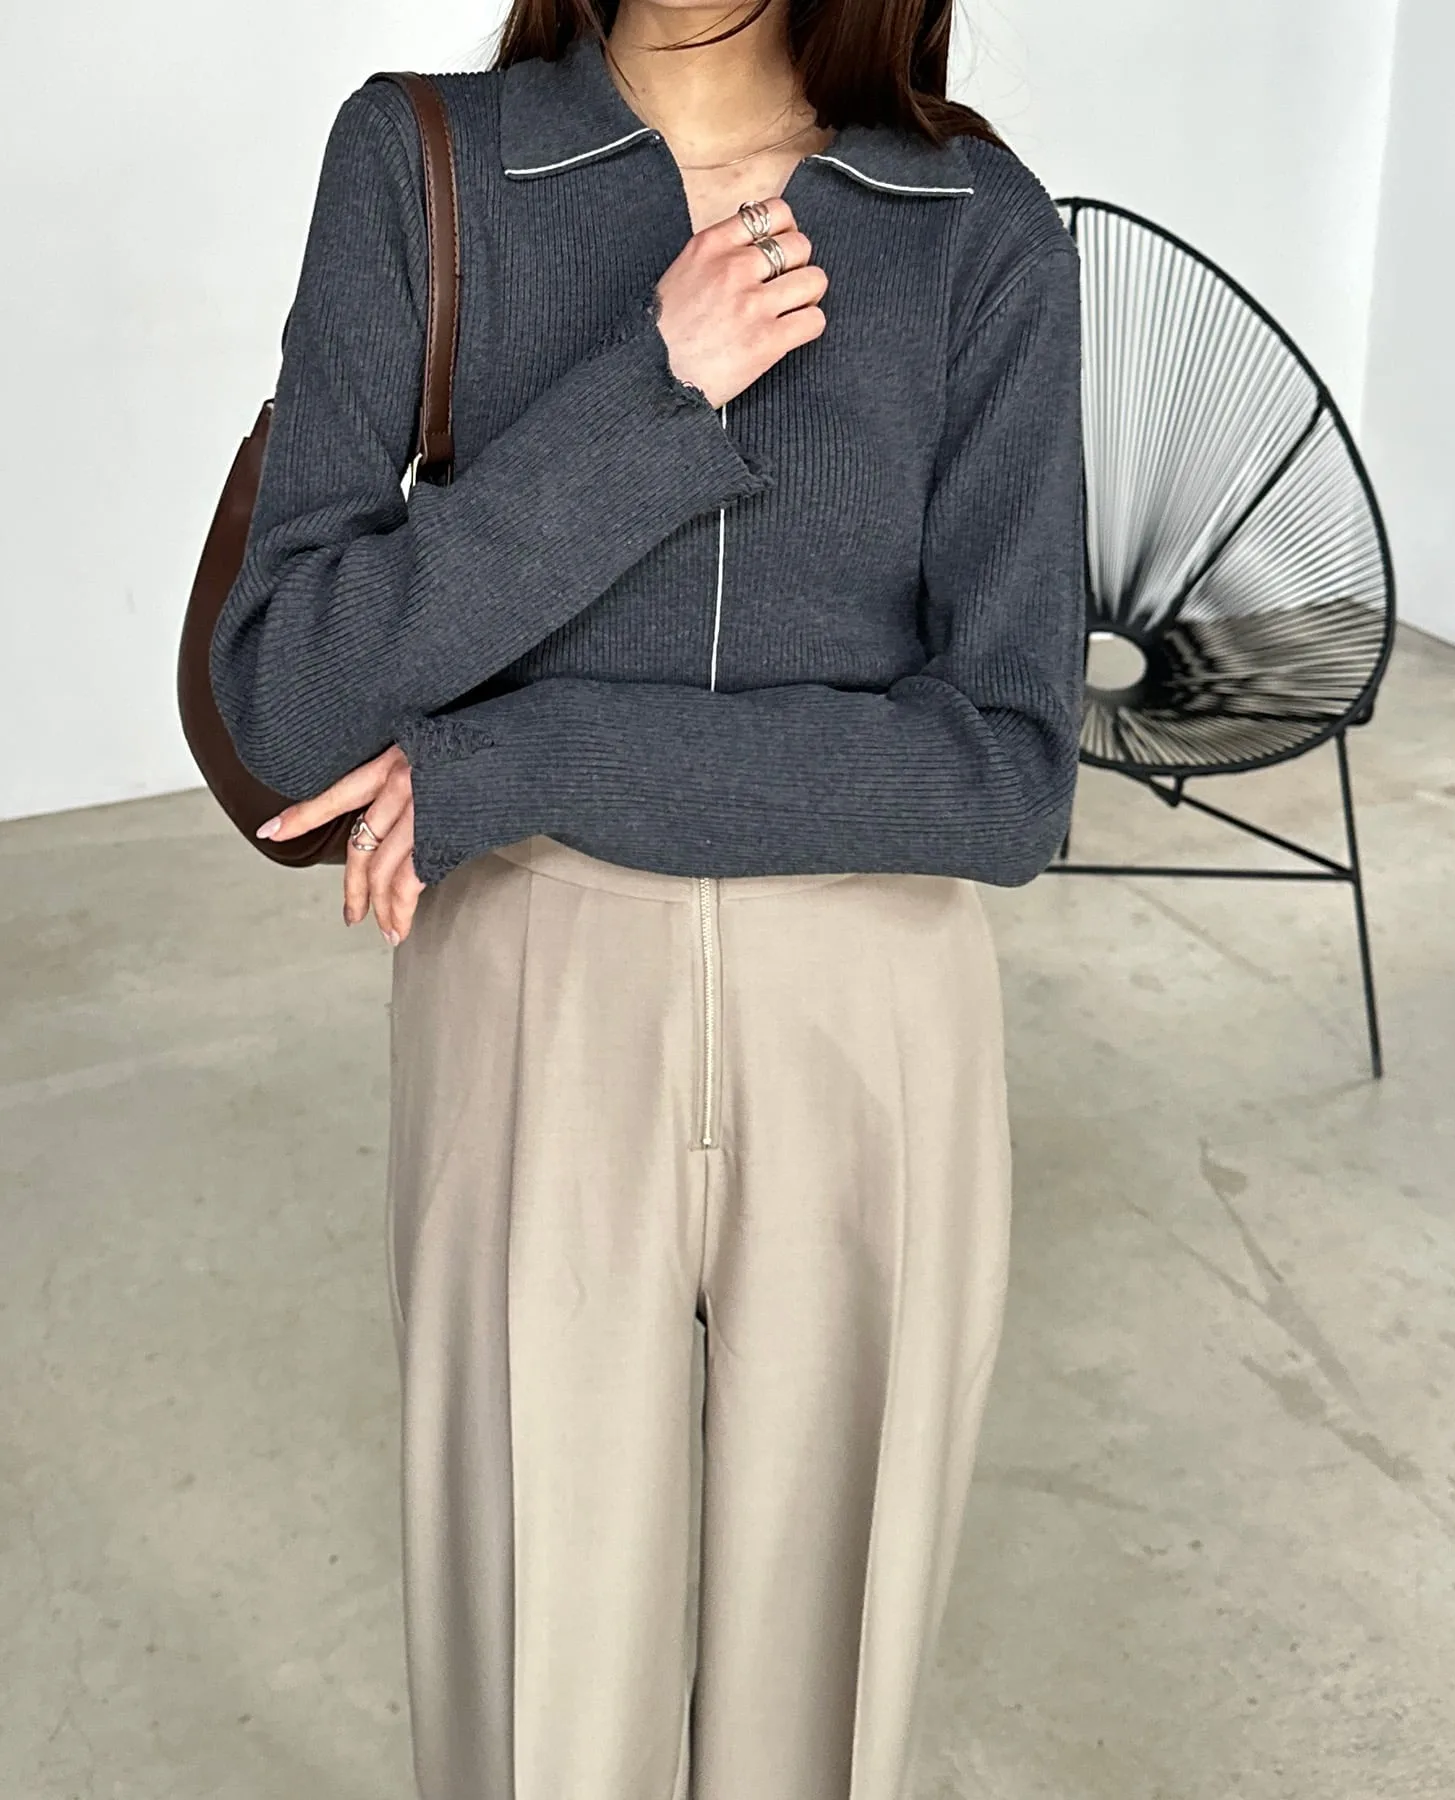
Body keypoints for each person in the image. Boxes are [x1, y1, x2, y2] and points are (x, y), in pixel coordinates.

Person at [209, 0, 1085, 1792]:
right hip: (531, 986)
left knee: (822, 1694)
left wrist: (526, 758)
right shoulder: (425, 162)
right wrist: (650, 392)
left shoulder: (972, 223)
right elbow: (290, 697)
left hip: (870, 1015)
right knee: (534, 1685)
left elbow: (1007, 771)